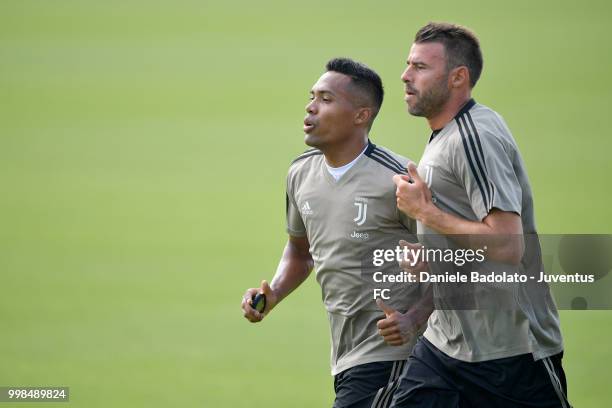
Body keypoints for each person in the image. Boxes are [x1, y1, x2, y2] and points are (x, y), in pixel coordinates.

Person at [389, 22, 571, 407]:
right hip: (445, 348)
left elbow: (506, 244)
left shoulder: (476, 136)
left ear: (458, 77)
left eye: (421, 67)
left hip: (510, 354)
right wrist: (434, 259)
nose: (406, 76)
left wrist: (425, 212)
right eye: (408, 64)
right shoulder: (446, 134)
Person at [241, 57, 430, 408]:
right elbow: (300, 251)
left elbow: (454, 260)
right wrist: (274, 293)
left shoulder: (399, 179)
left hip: (396, 355)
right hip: (346, 354)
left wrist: (415, 319)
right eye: (312, 97)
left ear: (361, 115)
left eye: (326, 100)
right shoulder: (300, 173)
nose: (311, 108)